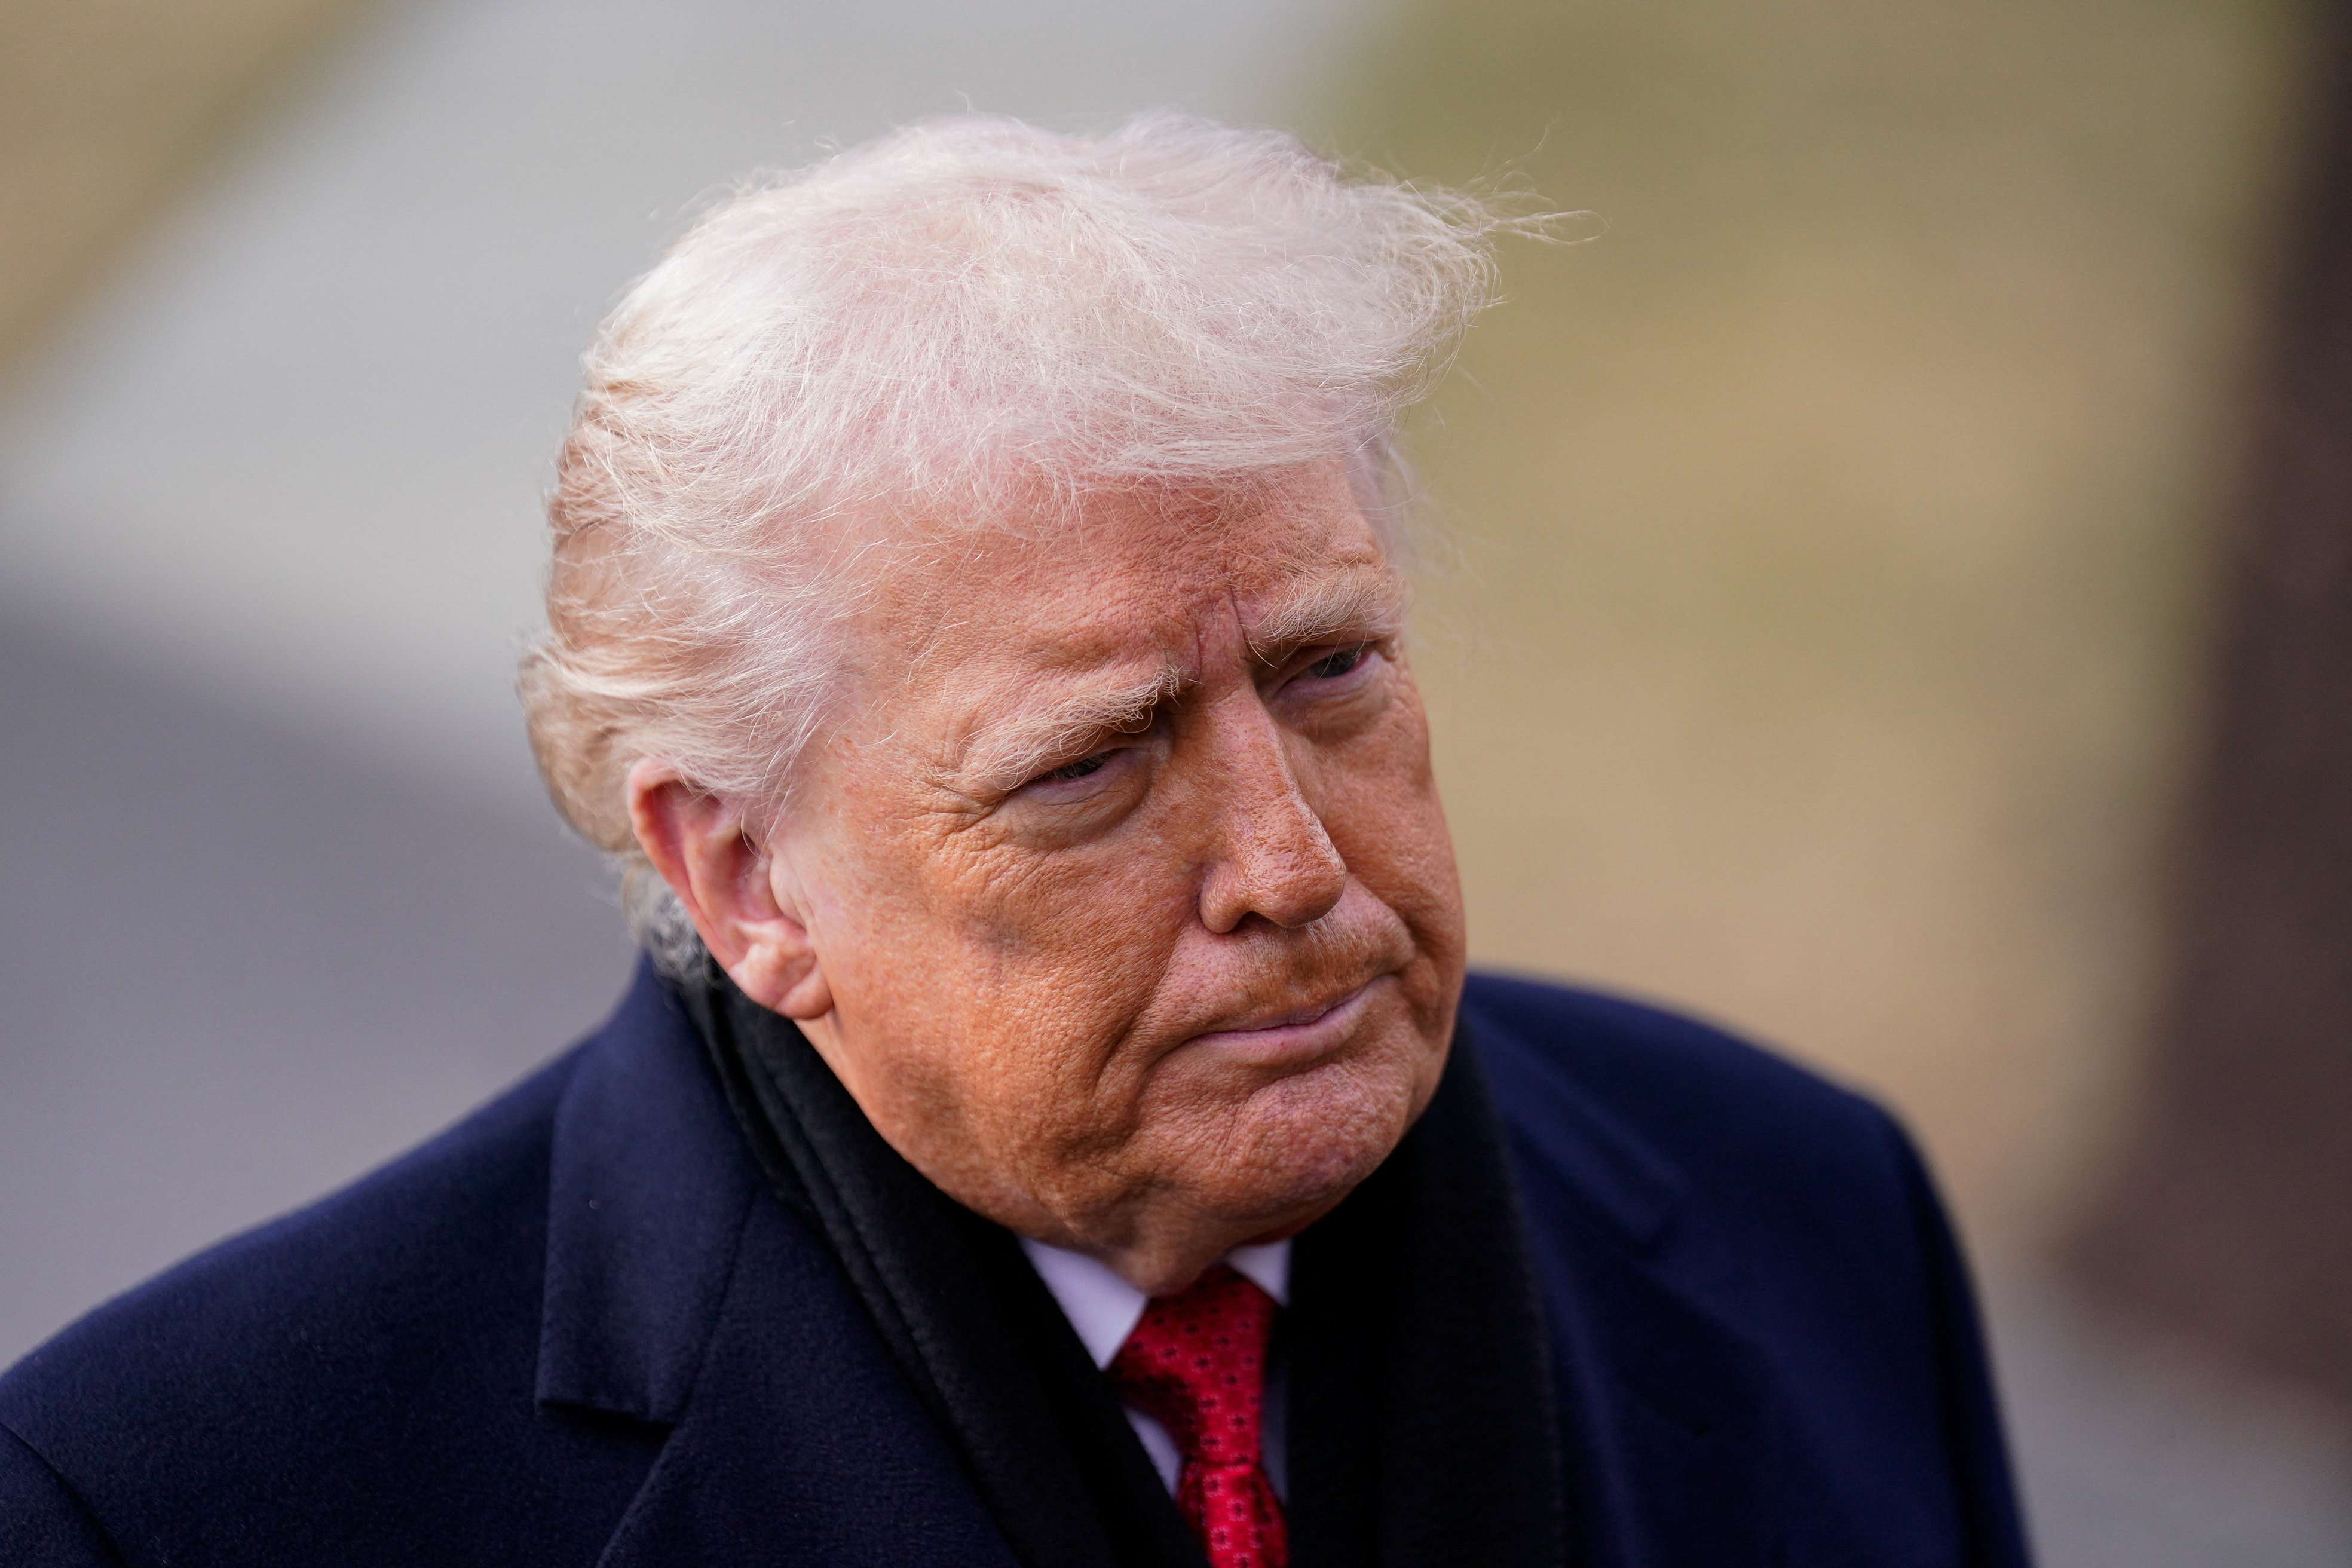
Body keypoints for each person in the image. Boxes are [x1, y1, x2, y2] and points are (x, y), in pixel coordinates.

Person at [0, 113, 2029, 1567]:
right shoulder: (178, 1497)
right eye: (1092, 767)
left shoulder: (1808, 1212)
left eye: (1328, 670)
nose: (1292, 864)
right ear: (746, 880)